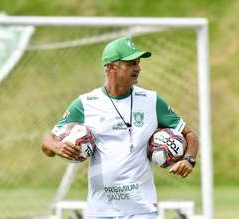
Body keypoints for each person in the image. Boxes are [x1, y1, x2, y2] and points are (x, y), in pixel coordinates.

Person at [41, 36, 199, 219]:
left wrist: (189, 160)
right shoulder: (85, 103)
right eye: (131, 63)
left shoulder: (152, 101)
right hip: (100, 210)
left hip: (142, 209)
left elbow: (189, 134)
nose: (138, 68)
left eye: (138, 63)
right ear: (110, 67)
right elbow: (47, 143)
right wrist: (57, 146)